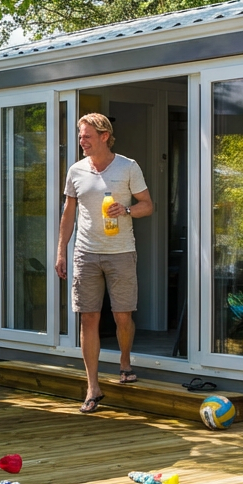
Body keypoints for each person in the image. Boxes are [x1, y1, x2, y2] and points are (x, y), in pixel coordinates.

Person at [55, 113, 155, 414]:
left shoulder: (128, 167)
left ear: (104, 136)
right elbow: (68, 215)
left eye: (86, 135)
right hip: (85, 253)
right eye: (79, 135)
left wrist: (125, 209)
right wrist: (61, 251)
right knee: (88, 318)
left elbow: (147, 206)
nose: (81, 141)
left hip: (121, 251)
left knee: (123, 316)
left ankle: (125, 362)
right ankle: (92, 386)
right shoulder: (76, 171)